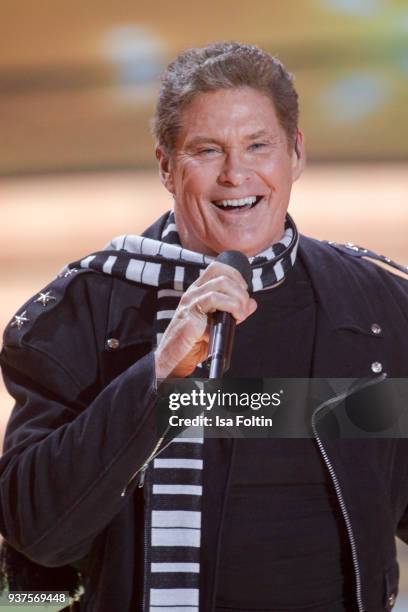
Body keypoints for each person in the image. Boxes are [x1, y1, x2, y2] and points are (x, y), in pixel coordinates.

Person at [0, 41, 408, 612]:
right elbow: (39, 535)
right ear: (166, 165)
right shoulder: (84, 310)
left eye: (258, 145)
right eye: (207, 149)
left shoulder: (378, 306)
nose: (236, 174)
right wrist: (159, 375)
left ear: (295, 154)